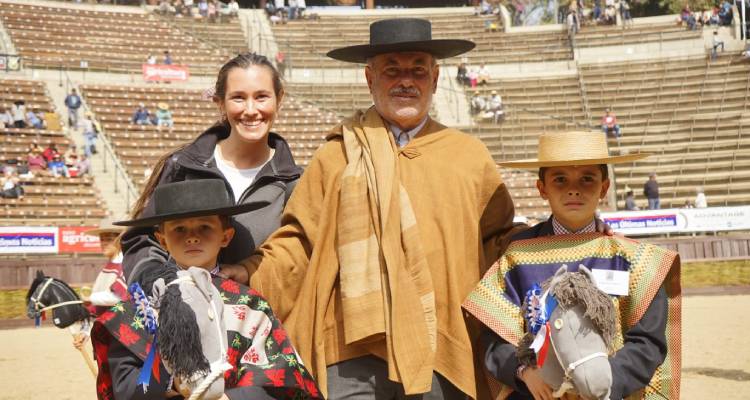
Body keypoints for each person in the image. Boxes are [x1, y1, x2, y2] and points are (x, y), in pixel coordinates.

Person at [220, 18, 523, 400]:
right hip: (349, 349)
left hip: (441, 348)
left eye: (417, 69)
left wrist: (553, 249)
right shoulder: (338, 153)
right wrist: (247, 272)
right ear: (369, 78)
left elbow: (500, 244)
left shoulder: (469, 157)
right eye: (391, 70)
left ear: (435, 76)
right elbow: (300, 241)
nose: (405, 80)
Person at [464, 130, 680, 400]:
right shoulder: (515, 257)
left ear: (604, 188)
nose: (574, 188)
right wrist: (524, 372)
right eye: (560, 179)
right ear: (542, 189)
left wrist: (600, 381)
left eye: (587, 179)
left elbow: (648, 343)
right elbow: (494, 339)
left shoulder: (634, 259)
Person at [93, 179, 320, 400]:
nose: (192, 237)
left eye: (204, 227)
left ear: (226, 236)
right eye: (179, 229)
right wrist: (171, 384)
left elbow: (278, 379)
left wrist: (230, 397)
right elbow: (124, 386)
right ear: (162, 240)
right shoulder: (139, 308)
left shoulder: (250, 305)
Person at [121, 53, 302, 305]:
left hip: (259, 329)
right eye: (238, 97)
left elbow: (300, 255)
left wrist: (251, 272)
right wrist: (159, 282)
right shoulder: (181, 166)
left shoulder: (296, 182)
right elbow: (141, 238)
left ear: (279, 99)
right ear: (220, 103)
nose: (251, 110)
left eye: (261, 97)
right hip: (181, 322)